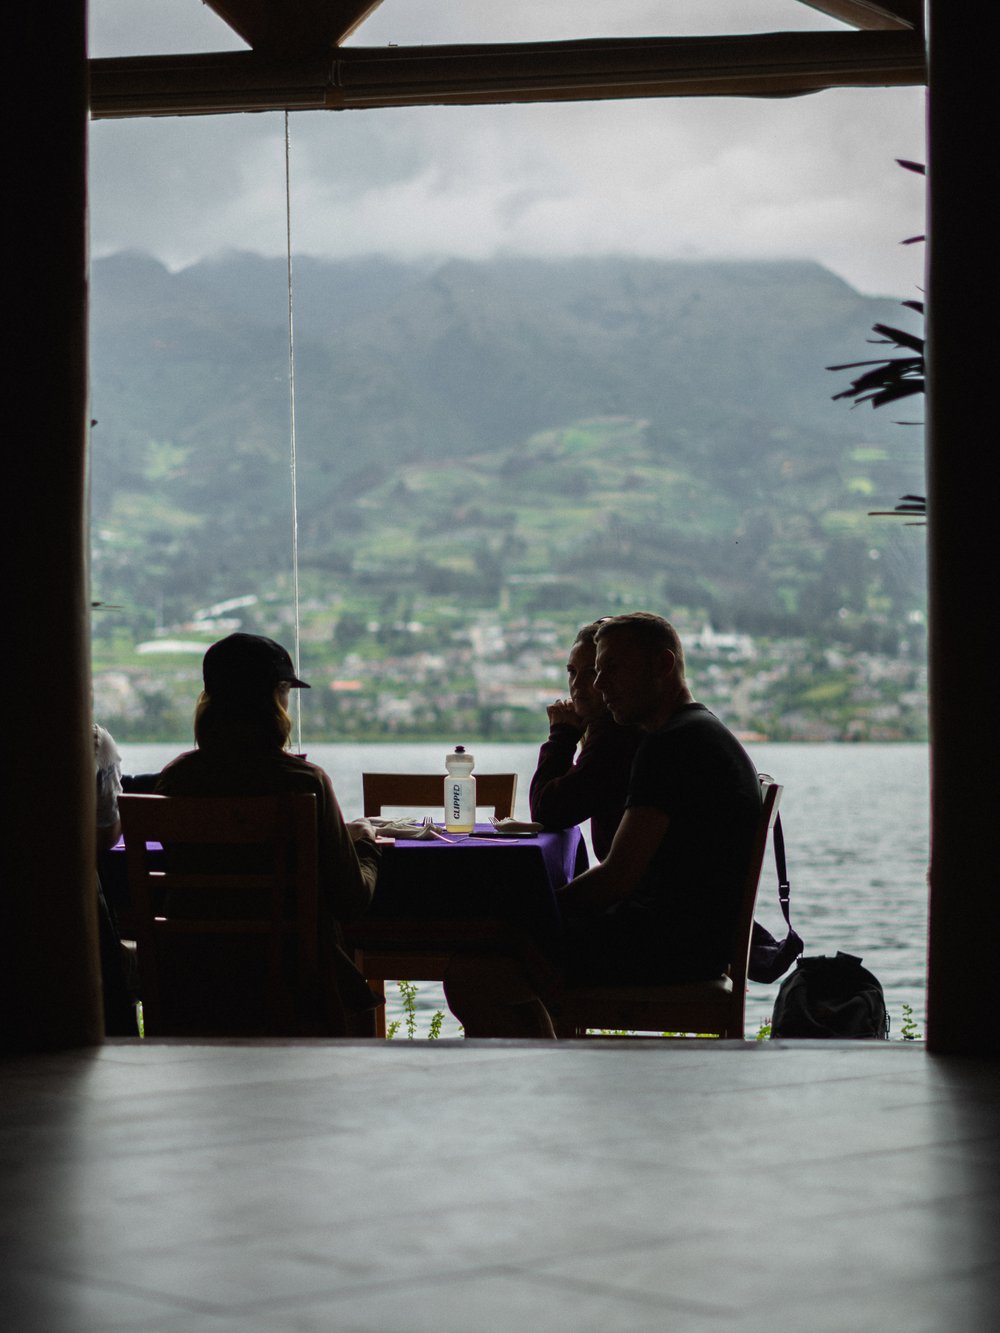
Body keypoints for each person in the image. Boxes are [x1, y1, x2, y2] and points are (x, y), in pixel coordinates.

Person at [444, 612, 762, 1038]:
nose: (598, 685)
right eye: (594, 671)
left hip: (669, 947)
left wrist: (536, 916)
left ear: (663, 665)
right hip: (695, 940)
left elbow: (617, 877)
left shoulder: (671, 745)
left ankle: (537, 1082)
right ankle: (554, 1061)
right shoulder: (696, 732)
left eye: (612, 668)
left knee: (476, 970)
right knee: (498, 948)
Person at [155, 632, 382, 1035]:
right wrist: (363, 845)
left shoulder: (176, 779)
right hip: (291, 984)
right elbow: (350, 900)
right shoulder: (305, 782)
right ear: (278, 694)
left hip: (197, 982)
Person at [528, 620, 640, 861]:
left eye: (592, 672)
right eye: (572, 672)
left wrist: (561, 736)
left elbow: (546, 812)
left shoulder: (616, 733)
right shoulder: (618, 729)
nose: (577, 685)